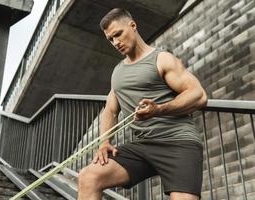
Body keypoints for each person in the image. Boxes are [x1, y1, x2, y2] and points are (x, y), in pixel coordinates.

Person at [77, 8, 207, 200]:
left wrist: (159, 110)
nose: (116, 42)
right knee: (88, 177)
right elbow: (110, 110)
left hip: (178, 142)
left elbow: (198, 95)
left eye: (118, 34)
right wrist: (105, 142)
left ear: (133, 25)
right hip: (142, 146)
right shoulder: (118, 72)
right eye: (111, 39)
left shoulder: (162, 59)